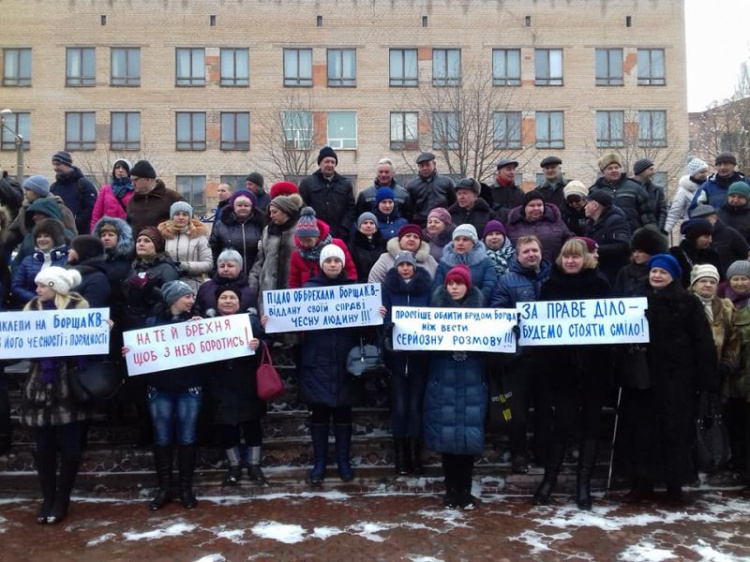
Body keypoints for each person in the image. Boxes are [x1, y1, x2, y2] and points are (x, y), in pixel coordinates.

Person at [621, 254, 717, 505]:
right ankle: (642, 484)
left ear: (673, 276)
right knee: (641, 434)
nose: (656, 276)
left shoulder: (688, 302)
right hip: (642, 379)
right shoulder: (635, 300)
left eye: (663, 272)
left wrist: (705, 382)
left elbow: (702, 343)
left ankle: (674, 485)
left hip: (677, 381)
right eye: (654, 271)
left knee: (674, 434)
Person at [531, 239, 611, 509]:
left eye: (576, 257)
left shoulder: (600, 285)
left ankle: (583, 485)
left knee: (591, 425)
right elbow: (541, 328)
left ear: (586, 258)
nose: (571, 261)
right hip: (562, 368)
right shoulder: (550, 286)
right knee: (561, 423)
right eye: (566, 257)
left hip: (594, 367)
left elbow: (614, 325)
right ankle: (549, 480)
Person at [20, 267, 91, 524]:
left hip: (68, 385)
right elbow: (21, 346)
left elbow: (89, 343)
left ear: (57, 288)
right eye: (37, 285)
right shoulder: (31, 309)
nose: (37, 290)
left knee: (71, 449)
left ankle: (63, 499)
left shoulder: (78, 308)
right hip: (39, 384)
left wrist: (104, 329)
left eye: (43, 286)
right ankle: (48, 498)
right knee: (43, 448)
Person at [125, 280, 204, 510]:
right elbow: (139, 349)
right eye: (187, 296)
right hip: (159, 389)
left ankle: (186, 489)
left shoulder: (197, 322)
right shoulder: (151, 323)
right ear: (173, 299)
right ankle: (165, 488)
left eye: (192, 296)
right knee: (162, 438)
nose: (191, 300)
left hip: (190, 388)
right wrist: (130, 351)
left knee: (187, 437)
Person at [290, 245, 362, 484]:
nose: (332, 264)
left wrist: (376, 313)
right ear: (321, 264)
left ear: (343, 264)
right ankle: (319, 462)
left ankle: (343, 461)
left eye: (336, 260)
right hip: (316, 360)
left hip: (345, 361)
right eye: (328, 260)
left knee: (344, 414)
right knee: (319, 415)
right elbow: (293, 321)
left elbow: (365, 327)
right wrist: (275, 319)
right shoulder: (308, 290)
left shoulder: (354, 290)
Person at [424, 265, 487, 509]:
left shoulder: (482, 313)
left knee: (468, 439)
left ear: (468, 286)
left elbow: (494, 350)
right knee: (448, 439)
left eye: (459, 283)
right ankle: (451, 490)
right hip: (444, 379)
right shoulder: (433, 313)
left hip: (472, 379)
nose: (454, 288)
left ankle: (466, 490)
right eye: (451, 284)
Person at [489, 236, 553, 471]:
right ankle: (519, 453)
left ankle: (542, 452)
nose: (531, 255)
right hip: (520, 356)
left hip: (548, 356)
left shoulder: (553, 277)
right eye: (526, 251)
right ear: (517, 255)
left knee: (546, 409)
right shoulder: (506, 280)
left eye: (534, 250)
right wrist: (512, 321)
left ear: (541, 251)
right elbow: (497, 310)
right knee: (517, 410)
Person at [206, 286, 266, 486]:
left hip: (247, 380)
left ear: (240, 302)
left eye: (232, 297)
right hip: (221, 383)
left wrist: (259, 346)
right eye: (223, 297)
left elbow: (266, 345)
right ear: (217, 302)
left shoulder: (251, 322)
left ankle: (254, 465)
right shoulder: (207, 325)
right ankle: (234, 465)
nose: (228, 301)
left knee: (252, 424)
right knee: (227, 426)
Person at [380, 251, 432, 475]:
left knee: (415, 408)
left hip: (420, 360)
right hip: (396, 360)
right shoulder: (387, 289)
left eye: (408, 265)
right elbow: (380, 320)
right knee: (400, 408)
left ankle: (415, 456)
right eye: (400, 265)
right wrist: (386, 326)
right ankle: (401, 458)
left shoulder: (427, 289)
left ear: (414, 267)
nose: (404, 268)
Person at [249, 182, 303, 314]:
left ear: (286, 212)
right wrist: (253, 284)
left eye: (275, 212)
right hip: (269, 289)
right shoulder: (267, 230)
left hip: (293, 288)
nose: (271, 216)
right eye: (270, 212)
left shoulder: (300, 230)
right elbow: (260, 259)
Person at [121, 227, 180, 330]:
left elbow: (173, 299)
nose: (141, 243)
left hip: (156, 324)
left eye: (147, 241)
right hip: (133, 324)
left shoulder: (166, 268)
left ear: (156, 245)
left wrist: (149, 288)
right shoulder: (134, 267)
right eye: (138, 241)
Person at [688, 264, 738, 387]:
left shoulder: (726, 306)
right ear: (694, 284)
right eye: (703, 281)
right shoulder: (684, 305)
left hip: (718, 372)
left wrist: (727, 363)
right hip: (691, 373)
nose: (708, 284)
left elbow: (734, 338)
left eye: (712, 282)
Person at [289, 207, 357, 288]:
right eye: (302, 241)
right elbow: (294, 282)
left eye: (309, 240)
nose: (305, 244)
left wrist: (350, 287)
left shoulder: (337, 244)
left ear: (317, 237)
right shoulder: (297, 255)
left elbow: (350, 270)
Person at [299, 146, 356, 242]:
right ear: (320, 163)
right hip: (315, 235)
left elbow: (351, 208)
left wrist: (344, 227)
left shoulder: (345, 184)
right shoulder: (307, 183)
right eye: (327, 161)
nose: (330, 165)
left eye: (333, 162)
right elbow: (302, 206)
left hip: (340, 235)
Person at [590, 153, 655, 232]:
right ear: (603, 171)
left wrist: (651, 233)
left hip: (633, 236)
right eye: (610, 168)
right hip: (607, 238)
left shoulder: (635, 188)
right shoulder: (595, 191)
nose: (614, 170)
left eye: (616, 167)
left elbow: (647, 214)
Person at [433, 224, 497, 305]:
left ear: (474, 243)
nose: (460, 243)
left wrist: (474, 304)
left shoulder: (486, 262)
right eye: (457, 239)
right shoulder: (444, 263)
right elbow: (438, 287)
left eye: (465, 240)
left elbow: (489, 287)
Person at [11, 218, 68, 307]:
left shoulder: (67, 259)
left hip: (60, 309)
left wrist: (53, 298)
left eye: (46, 236)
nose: (42, 239)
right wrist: (36, 298)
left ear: (56, 238)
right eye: (39, 236)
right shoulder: (28, 260)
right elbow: (17, 286)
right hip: (32, 308)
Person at [209, 190, 266, 278]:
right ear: (233, 207)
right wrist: (215, 272)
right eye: (239, 205)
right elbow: (213, 251)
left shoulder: (261, 225)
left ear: (252, 207)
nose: (243, 208)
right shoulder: (221, 226)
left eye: (246, 205)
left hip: (255, 276)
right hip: (228, 276)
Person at [158, 202, 212, 291]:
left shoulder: (199, 236)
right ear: (172, 216)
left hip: (193, 283)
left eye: (185, 214)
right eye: (177, 214)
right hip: (169, 283)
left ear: (189, 217)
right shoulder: (163, 236)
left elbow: (208, 264)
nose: (181, 217)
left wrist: (186, 266)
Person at [506, 191, 573, 263]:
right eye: (532, 205)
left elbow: (570, 240)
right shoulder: (513, 224)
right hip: (522, 269)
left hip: (553, 268)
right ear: (524, 208)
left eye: (539, 205)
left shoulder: (556, 221)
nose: (536, 208)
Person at [689, 204, 749, 277]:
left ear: (715, 218)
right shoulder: (693, 237)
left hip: (729, 281)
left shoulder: (729, 233)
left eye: (707, 220)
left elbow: (746, 255)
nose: (703, 223)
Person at [584, 190, 631, 284]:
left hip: (613, 274)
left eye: (587, 204)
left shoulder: (616, 221)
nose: (585, 207)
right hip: (598, 272)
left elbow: (623, 246)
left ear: (595, 206)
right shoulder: (590, 224)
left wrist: (595, 249)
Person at [126, 160, 185, 234]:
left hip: (166, 244)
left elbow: (188, 222)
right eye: (131, 180)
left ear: (148, 179)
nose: (132, 184)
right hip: (138, 244)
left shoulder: (173, 197)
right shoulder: (132, 201)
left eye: (135, 180)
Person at [194, 250, 256, 318]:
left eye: (230, 266)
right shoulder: (205, 288)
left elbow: (254, 316)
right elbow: (196, 311)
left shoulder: (250, 290)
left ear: (240, 268)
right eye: (222, 266)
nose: (225, 269)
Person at [368, 224, 438, 284]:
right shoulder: (385, 259)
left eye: (416, 237)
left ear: (420, 242)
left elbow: (439, 283)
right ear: (400, 240)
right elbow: (374, 282)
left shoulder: (430, 260)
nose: (412, 239)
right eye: (408, 236)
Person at [50, 151, 97, 235]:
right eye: (54, 165)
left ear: (67, 164)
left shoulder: (84, 185)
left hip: (81, 234)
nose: (55, 168)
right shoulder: (54, 187)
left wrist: (74, 222)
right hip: (58, 233)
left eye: (58, 164)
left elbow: (91, 209)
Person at [613, 226, 669, 297]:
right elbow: (617, 296)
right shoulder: (625, 272)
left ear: (652, 251)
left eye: (640, 252)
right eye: (634, 251)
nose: (636, 255)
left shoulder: (662, 272)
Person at [405, 152, 456, 228]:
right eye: (422, 166)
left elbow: (454, 204)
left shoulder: (447, 182)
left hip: (443, 225)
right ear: (418, 167)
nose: (425, 168)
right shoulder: (411, 186)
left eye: (427, 165)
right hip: (420, 225)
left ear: (434, 164)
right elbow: (408, 210)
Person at [669, 218, 721, 288]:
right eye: (706, 237)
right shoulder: (676, 254)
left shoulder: (712, 255)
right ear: (693, 237)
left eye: (711, 236)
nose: (710, 240)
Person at [665, 158, 710, 235]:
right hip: (692, 231)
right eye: (702, 172)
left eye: (706, 171)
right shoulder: (683, 191)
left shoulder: (710, 186)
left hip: (710, 230)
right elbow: (674, 213)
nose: (705, 174)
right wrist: (664, 232)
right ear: (693, 173)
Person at [66, 235, 111, 308]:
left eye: (73, 248)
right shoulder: (68, 273)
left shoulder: (97, 279)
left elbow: (93, 308)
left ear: (83, 251)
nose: (69, 251)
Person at [90, 158, 133, 231]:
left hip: (127, 230)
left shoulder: (133, 190)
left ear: (129, 172)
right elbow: (97, 213)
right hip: (108, 230)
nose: (120, 170)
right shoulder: (106, 189)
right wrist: (94, 231)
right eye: (117, 168)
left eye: (124, 168)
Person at [349, 212, 386, 283]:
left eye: (372, 223)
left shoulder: (383, 244)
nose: (368, 226)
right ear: (359, 226)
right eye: (365, 223)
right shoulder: (352, 246)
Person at [631, 158, 667, 231]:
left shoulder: (657, 191)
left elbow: (662, 213)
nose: (654, 172)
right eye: (650, 169)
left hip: (652, 233)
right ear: (641, 171)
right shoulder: (628, 189)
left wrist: (658, 230)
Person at [489, 158, 524, 223]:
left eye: (513, 169)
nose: (512, 172)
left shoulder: (520, 193)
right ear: (499, 172)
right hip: (496, 231)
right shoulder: (489, 192)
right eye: (508, 169)